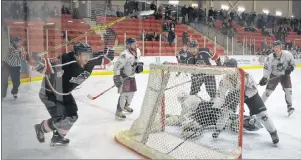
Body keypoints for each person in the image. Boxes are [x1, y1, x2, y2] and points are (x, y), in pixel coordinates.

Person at [33, 43, 114, 146]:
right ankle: (40, 128)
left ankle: (58, 137)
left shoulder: (91, 60)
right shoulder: (66, 60)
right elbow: (44, 67)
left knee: (72, 117)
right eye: (84, 54)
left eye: (89, 54)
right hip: (49, 93)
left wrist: (110, 43)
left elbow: (108, 58)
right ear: (76, 55)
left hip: (64, 93)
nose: (87, 57)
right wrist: (36, 60)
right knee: (62, 118)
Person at [212, 58, 279, 144]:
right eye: (226, 69)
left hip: (251, 95)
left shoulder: (246, 75)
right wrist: (216, 106)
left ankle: (273, 133)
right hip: (234, 94)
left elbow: (254, 89)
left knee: (263, 115)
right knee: (225, 112)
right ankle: (218, 129)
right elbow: (220, 95)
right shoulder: (224, 80)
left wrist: (246, 96)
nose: (228, 72)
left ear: (236, 68)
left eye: (230, 69)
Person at [259, 40, 296, 116]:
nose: (276, 49)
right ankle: (259, 106)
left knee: (288, 91)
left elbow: (293, 64)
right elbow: (267, 69)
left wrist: (290, 68)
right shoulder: (270, 58)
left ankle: (289, 106)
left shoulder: (288, 55)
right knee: (267, 92)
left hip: (285, 75)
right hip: (274, 76)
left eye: (277, 47)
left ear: (280, 47)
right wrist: (265, 78)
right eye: (274, 47)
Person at [113, 38, 144, 120]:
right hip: (124, 76)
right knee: (124, 94)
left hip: (132, 76)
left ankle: (126, 106)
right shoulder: (124, 55)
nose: (136, 45)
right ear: (128, 45)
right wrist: (116, 77)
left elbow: (137, 61)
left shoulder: (138, 51)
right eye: (133, 44)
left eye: (136, 43)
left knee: (132, 92)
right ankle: (119, 111)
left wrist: (139, 65)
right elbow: (116, 67)